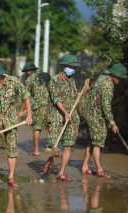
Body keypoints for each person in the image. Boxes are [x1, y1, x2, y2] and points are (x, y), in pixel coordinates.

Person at [47, 54, 89, 182]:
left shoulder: (71, 81)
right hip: (58, 117)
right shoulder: (55, 80)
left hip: (72, 118)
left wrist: (84, 90)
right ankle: (49, 160)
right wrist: (65, 112)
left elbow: (73, 98)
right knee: (52, 144)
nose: (73, 69)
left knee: (68, 146)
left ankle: (61, 173)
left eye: (74, 67)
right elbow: (56, 99)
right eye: (71, 66)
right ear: (64, 66)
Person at [81, 63, 128, 178]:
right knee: (98, 143)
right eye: (119, 77)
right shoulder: (107, 86)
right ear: (113, 75)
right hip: (96, 116)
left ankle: (85, 166)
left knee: (92, 141)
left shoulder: (102, 78)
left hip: (90, 114)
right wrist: (112, 123)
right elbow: (106, 107)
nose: (120, 80)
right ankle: (100, 170)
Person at [18, 62, 51, 156]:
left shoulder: (29, 81)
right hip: (51, 104)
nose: (25, 73)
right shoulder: (45, 75)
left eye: (26, 71)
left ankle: (36, 150)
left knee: (37, 128)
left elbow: (26, 97)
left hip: (38, 106)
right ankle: (53, 149)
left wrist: (21, 111)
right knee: (53, 127)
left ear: (29, 71)